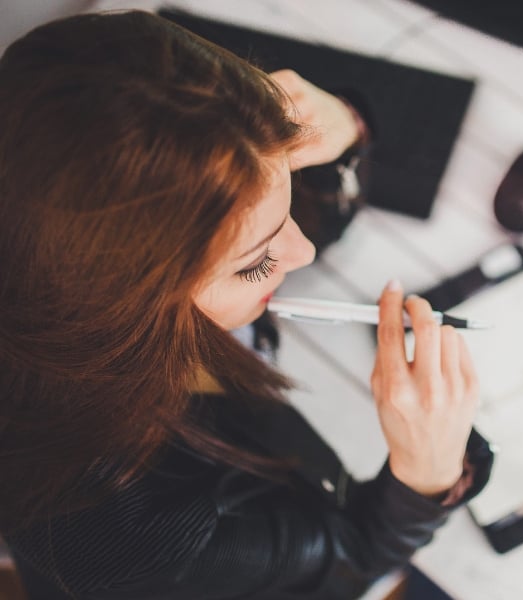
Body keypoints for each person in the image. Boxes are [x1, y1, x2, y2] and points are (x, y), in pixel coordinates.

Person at [0, 10, 492, 599]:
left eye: (286, 182)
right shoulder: (134, 529)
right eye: (256, 262)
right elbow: (352, 565)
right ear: (124, 303)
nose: (304, 251)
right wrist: (426, 475)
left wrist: (345, 126)